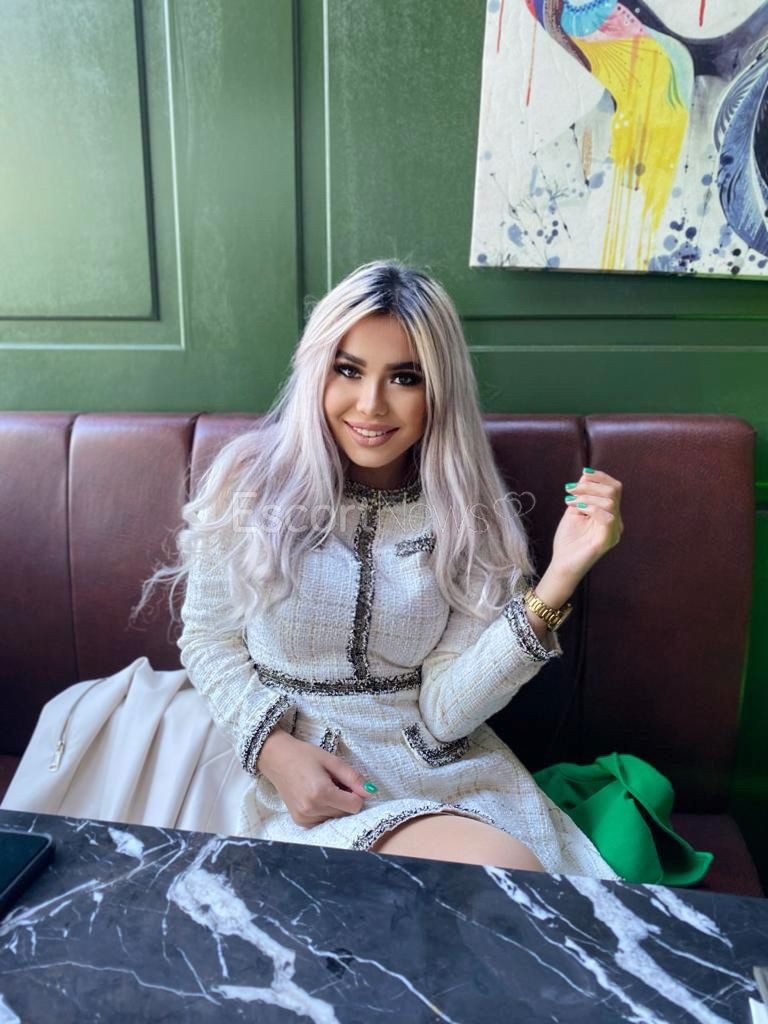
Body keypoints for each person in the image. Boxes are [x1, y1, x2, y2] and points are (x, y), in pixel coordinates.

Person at [136, 258, 624, 878]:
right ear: (317, 370)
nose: (370, 405)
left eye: (404, 377)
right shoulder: (247, 482)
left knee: (507, 879)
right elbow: (209, 639)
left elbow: (446, 713)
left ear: (437, 390)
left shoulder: (468, 516)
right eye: (348, 370)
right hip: (278, 771)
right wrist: (274, 751)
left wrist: (558, 579)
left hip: (437, 774)